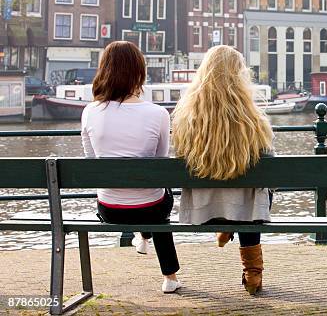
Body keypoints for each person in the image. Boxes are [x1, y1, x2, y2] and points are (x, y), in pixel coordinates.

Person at [172, 45, 274, 295]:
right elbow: (269, 163)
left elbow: (178, 156)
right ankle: (252, 273)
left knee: (238, 192)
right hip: (245, 207)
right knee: (258, 191)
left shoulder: (186, 118)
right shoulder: (253, 119)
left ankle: (225, 223)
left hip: (206, 206)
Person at [81, 41, 181, 293]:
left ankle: (143, 237)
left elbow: (91, 159)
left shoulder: (90, 111)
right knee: (160, 197)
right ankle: (169, 277)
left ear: (104, 70)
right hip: (151, 210)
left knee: (151, 194)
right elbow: (160, 160)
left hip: (109, 209)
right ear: (140, 72)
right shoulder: (158, 113)